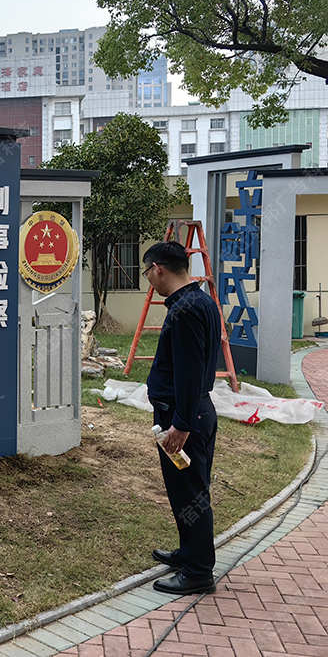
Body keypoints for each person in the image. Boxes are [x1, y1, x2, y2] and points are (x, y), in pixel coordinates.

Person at [142, 241, 222, 595]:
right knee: (189, 491)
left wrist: (181, 424)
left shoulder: (184, 310)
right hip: (195, 410)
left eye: (147, 273)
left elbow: (189, 372)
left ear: (158, 268)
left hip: (185, 415)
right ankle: (189, 553)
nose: (149, 280)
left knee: (190, 493)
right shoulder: (200, 300)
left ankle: (198, 571)